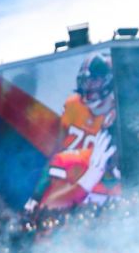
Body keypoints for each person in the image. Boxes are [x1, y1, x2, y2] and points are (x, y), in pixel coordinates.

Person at [23, 52, 121, 214]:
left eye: (94, 81)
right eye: (86, 82)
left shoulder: (117, 112)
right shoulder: (73, 104)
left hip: (102, 180)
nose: (89, 88)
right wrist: (37, 193)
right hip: (70, 174)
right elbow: (58, 149)